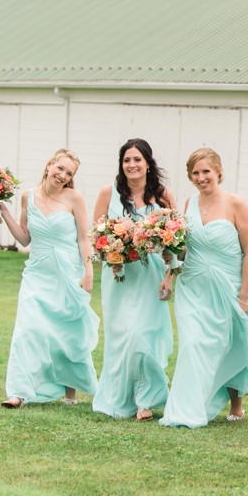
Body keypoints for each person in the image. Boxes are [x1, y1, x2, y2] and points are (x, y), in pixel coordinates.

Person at [160, 149, 248, 428]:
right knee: (193, 345)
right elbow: (180, 247)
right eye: (195, 173)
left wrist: (243, 296)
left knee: (227, 345)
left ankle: (235, 404)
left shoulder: (236, 204)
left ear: (218, 172)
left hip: (226, 287)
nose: (201, 178)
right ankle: (188, 408)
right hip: (192, 285)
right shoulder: (189, 203)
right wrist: (169, 271)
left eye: (206, 171)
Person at [0, 149, 99, 408]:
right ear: (49, 165)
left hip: (67, 272)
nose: (63, 175)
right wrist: (3, 210)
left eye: (69, 173)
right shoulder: (27, 196)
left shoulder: (74, 198)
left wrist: (89, 273)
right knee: (27, 330)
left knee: (67, 332)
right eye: (60, 168)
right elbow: (24, 238)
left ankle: (70, 396)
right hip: (37, 272)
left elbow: (83, 238)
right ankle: (18, 393)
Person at [91, 138, 176, 421]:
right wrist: (111, 255)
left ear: (148, 163)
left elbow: (176, 242)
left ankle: (147, 400)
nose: (132, 165)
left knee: (143, 337)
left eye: (137, 159)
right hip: (119, 276)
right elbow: (96, 237)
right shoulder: (108, 193)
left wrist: (169, 276)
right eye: (127, 160)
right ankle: (118, 397)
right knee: (121, 337)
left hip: (151, 275)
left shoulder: (163, 196)